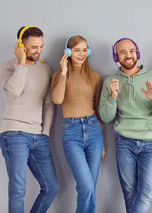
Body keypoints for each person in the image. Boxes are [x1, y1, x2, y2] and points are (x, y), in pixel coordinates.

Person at [98, 38, 152, 213]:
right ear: (116, 56)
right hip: (124, 143)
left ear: (137, 53)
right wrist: (112, 97)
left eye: (131, 51)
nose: (128, 55)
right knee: (129, 193)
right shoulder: (110, 81)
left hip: (151, 143)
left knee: (145, 194)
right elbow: (105, 117)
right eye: (123, 52)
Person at [0, 25, 60, 213]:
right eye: (34, 47)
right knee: (18, 189)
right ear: (21, 45)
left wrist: (45, 133)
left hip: (38, 136)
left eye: (41, 46)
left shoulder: (46, 69)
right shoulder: (8, 66)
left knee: (52, 187)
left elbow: (49, 104)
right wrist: (22, 61)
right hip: (14, 134)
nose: (39, 51)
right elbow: (13, 93)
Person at [51, 35, 106, 213]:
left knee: (91, 188)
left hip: (94, 132)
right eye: (76, 50)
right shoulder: (58, 76)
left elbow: (99, 111)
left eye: (84, 50)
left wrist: (103, 142)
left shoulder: (95, 77)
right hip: (71, 132)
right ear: (68, 52)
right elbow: (57, 100)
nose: (81, 54)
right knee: (86, 186)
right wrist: (64, 71)